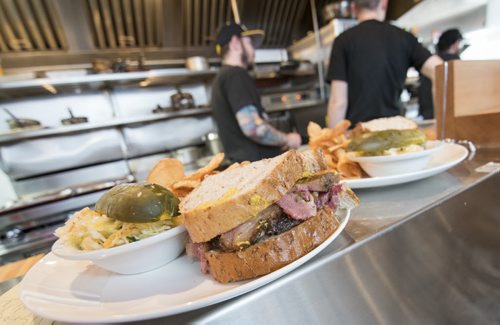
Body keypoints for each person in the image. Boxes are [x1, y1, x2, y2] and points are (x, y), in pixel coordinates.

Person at [326, 0, 443, 127]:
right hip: (394, 132)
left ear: (354, 9)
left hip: (358, 134)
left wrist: (333, 138)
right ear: (383, 4)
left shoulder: (343, 41)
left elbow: (338, 102)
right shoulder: (404, 37)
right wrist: (441, 122)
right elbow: (442, 71)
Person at [211, 23, 301, 162]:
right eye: (249, 43)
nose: (253, 50)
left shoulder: (221, 79)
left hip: (247, 166)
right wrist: (288, 139)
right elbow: (252, 127)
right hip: (258, 167)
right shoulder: (235, 75)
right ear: (235, 43)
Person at [418, 28, 463, 119]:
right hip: (448, 115)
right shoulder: (456, 63)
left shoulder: (429, 60)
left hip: (427, 112)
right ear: (455, 43)